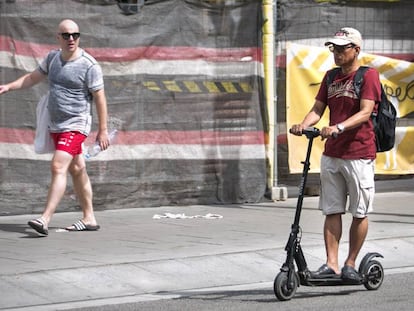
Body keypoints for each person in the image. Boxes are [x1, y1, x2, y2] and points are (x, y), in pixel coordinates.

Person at [0, 19, 109, 236]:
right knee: (77, 169)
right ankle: (89, 218)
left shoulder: (89, 65)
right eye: (66, 35)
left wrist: (103, 130)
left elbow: (100, 97)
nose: (71, 39)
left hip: (77, 124)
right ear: (57, 37)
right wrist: (8, 87)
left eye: (75, 35)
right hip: (56, 123)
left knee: (58, 166)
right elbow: (32, 78)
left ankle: (44, 219)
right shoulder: (52, 58)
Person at [290, 27, 381, 281]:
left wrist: (338, 127)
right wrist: (304, 124)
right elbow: (318, 108)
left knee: (359, 211)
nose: (337, 53)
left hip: (359, 153)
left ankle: (351, 263)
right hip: (332, 154)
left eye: (342, 48)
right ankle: (332, 264)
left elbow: (366, 112)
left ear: (356, 50)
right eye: (334, 48)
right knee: (332, 209)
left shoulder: (368, 76)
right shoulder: (331, 78)